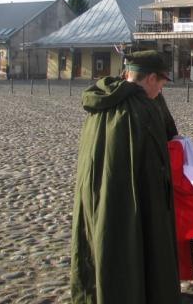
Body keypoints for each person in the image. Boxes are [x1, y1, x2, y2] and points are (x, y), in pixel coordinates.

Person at [70, 50, 181, 304]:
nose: (161, 90)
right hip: (130, 202)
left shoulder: (100, 102)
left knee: (100, 247)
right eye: (162, 83)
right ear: (151, 78)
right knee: (129, 254)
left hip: (96, 194)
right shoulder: (143, 108)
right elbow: (154, 172)